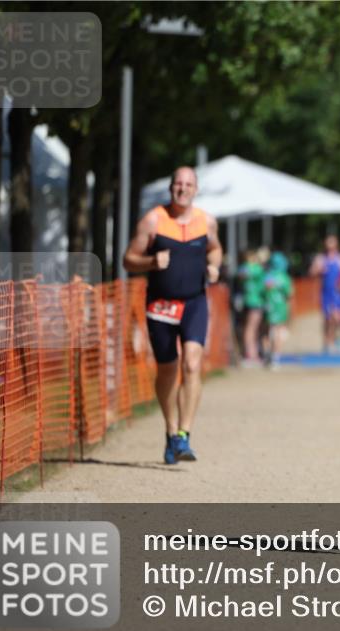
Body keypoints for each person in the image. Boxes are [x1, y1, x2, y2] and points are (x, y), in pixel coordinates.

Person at [123, 166, 222, 464]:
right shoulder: (153, 220)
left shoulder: (207, 221)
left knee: (192, 363)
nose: (182, 188)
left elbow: (216, 249)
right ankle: (169, 429)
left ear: (196, 188)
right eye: (178, 183)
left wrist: (214, 265)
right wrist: (152, 260)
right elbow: (129, 259)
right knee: (168, 369)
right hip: (160, 305)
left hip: (194, 301)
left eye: (188, 184)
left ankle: (184, 434)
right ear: (171, 188)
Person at [309, 235, 340, 354]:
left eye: (332, 244)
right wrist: (318, 270)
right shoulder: (320, 258)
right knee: (327, 319)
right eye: (328, 244)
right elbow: (311, 272)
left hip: (338, 292)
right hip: (326, 292)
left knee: (338, 318)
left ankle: (338, 340)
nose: (330, 247)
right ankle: (326, 343)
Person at [264, 251, 294, 369]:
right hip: (280, 307)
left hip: (268, 306)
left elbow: (263, 290)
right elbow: (289, 295)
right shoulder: (284, 278)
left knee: (267, 331)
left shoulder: (268, 276)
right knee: (277, 332)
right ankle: (275, 357)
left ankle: (267, 354)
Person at [238, 248, 267, 367]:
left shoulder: (244, 268)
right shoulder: (256, 269)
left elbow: (241, 274)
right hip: (255, 302)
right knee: (252, 329)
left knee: (251, 328)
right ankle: (251, 355)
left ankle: (252, 354)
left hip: (249, 301)